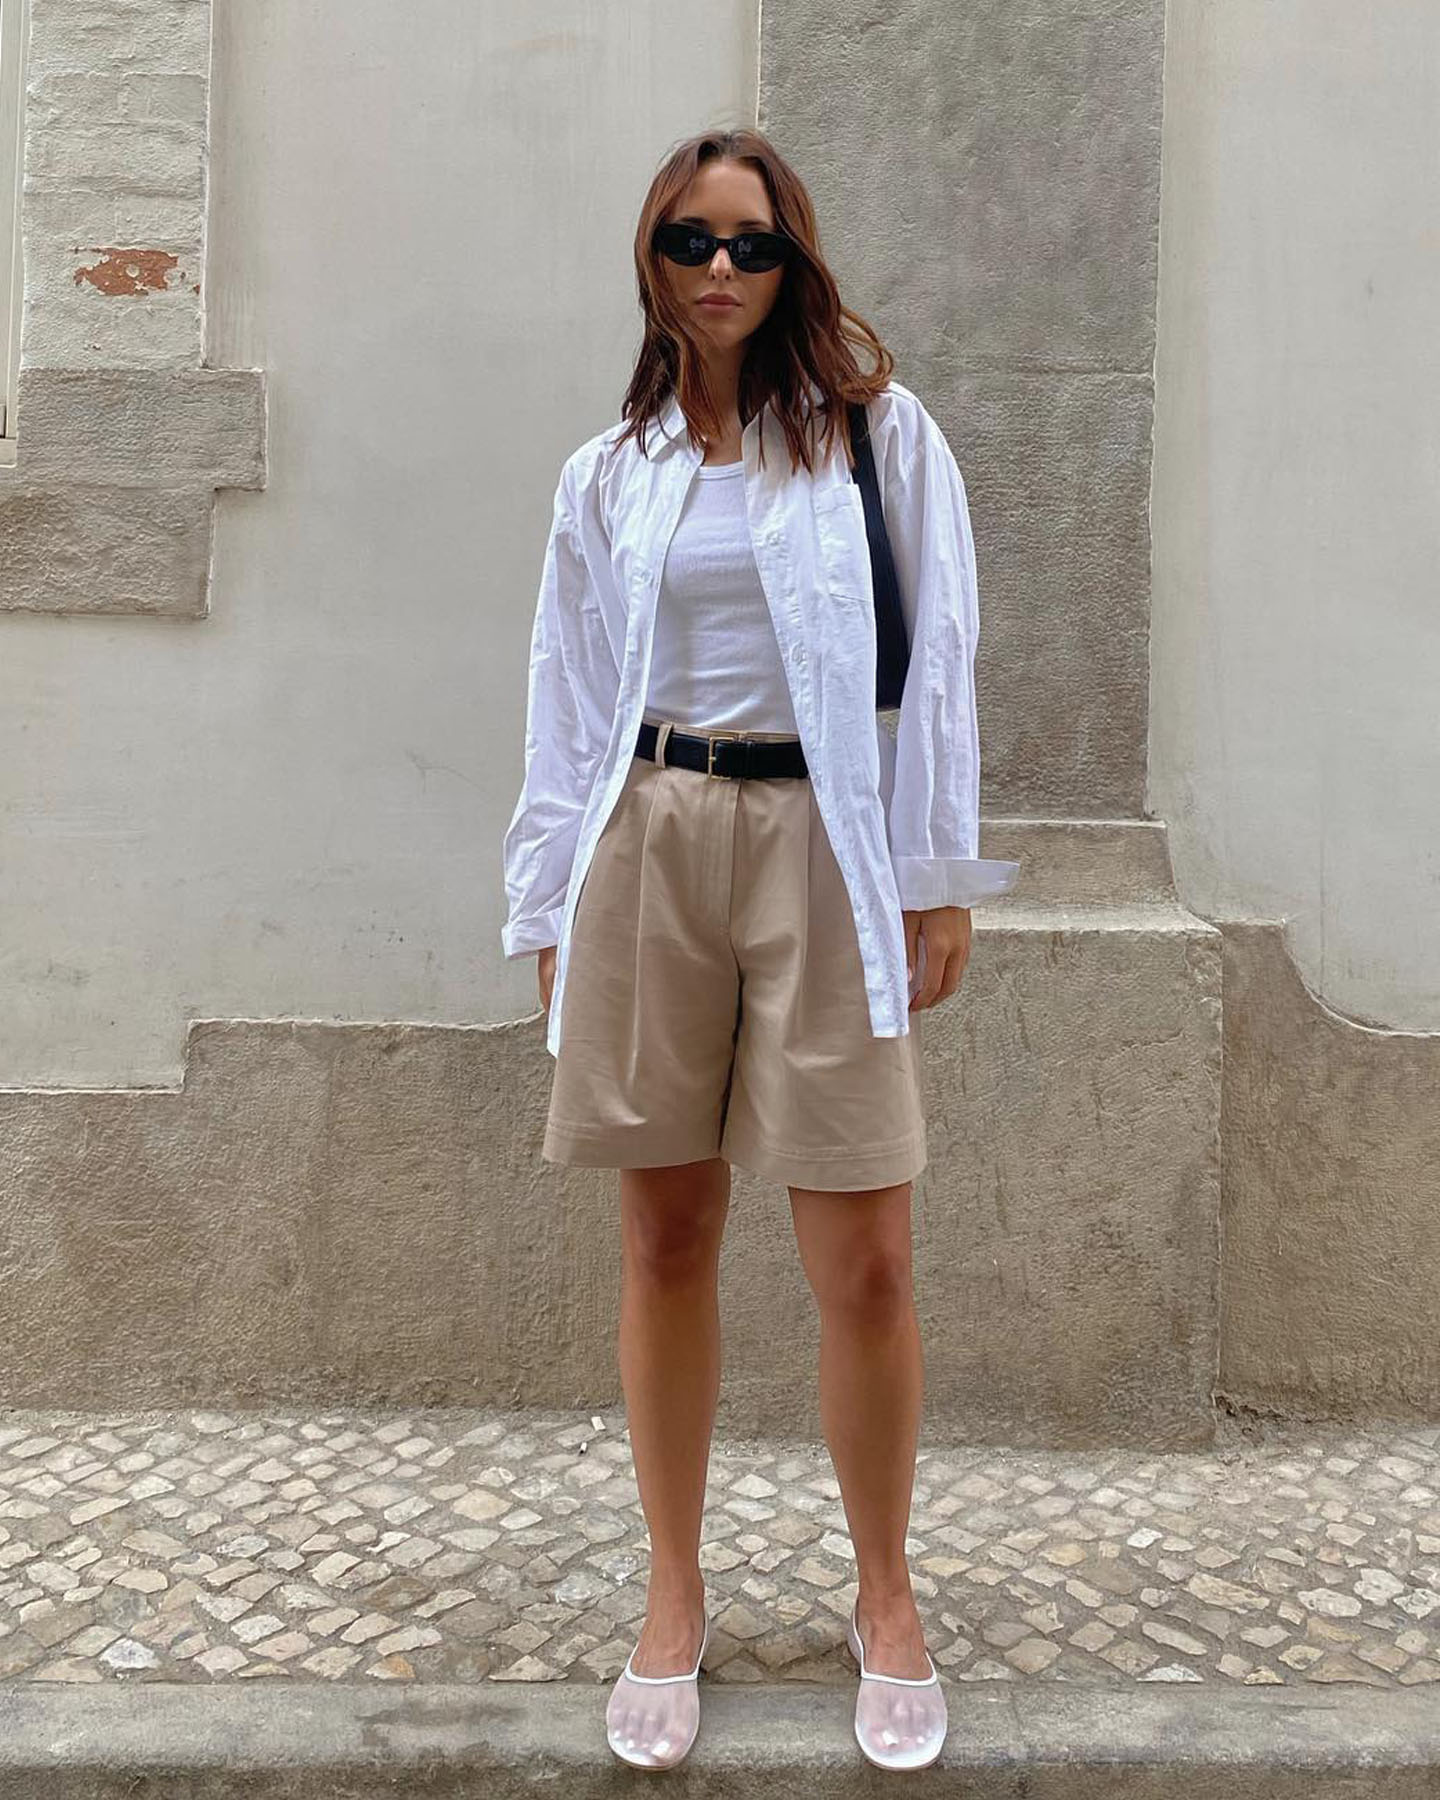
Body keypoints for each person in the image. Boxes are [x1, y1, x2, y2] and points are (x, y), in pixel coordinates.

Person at [500, 127, 1019, 1773]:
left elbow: (937, 659)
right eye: (688, 240)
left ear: (794, 262)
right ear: (650, 259)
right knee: (666, 1236)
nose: (719, 271)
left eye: (751, 245)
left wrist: (937, 879)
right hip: (647, 843)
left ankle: (885, 1591)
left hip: (821, 846)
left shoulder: (877, 437)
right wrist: (541, 901)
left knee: (864, 1253)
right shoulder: (611, 469)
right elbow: (568, 696)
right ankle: (675, 1589)